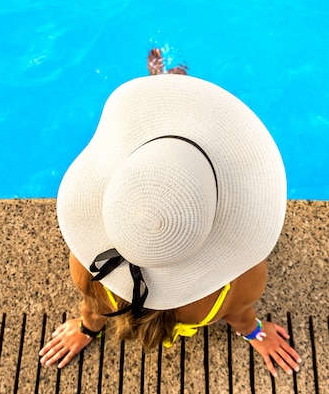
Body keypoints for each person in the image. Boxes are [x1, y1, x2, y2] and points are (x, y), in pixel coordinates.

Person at [39, 48, 302, 378]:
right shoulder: (227, 293)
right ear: (222, 212)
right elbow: (240, 315)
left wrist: (87, 329)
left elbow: (96, 307)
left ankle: (160, 97)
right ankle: (164, 100)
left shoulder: (90, 270)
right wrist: (255, 333)